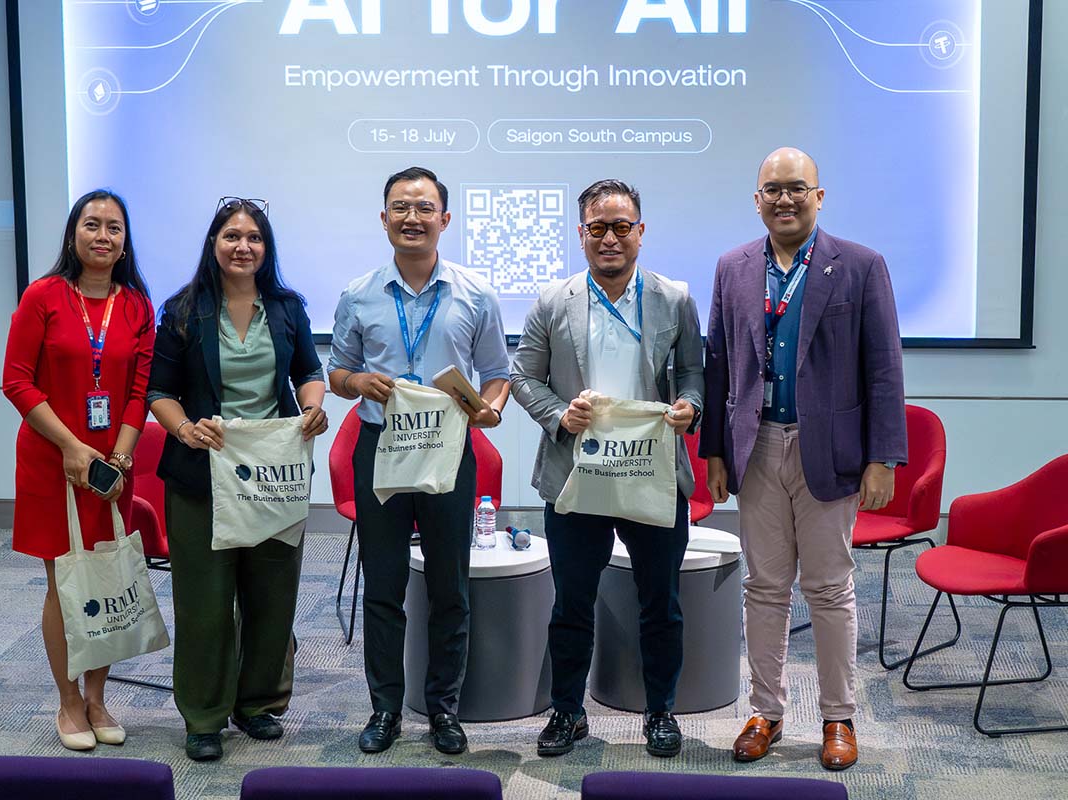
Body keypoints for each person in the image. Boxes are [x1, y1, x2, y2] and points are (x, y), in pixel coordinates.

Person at [700, 147, 907, 771]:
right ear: (756, 198)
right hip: (755, 446)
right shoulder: (733, 266)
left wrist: (883, 459)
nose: (784, 199)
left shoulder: (861, 266)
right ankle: (765, 710)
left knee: (829, 589)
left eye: (797, 188)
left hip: (832, 453)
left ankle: (838, 718)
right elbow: (717, 367)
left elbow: (884, 369)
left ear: (819, 196)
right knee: (763, 588)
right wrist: (713, 450)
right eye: (772, 189)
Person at [510, 179, 704, 758]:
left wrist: (690, 407)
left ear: (640, 232)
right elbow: (523, 377)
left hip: (650, 473)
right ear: (581, 235)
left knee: (660, 601)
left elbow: (694, 372)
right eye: (598, 228)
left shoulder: (674, 299)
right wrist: (556, 415)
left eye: (622, 227)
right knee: (571, 602)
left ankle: (660, 712)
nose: (611, 238)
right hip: (576, 474)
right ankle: (569, 712)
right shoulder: (553, 301)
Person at [328, 166, 510, 755]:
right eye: (400, 208)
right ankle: (385, 709)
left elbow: (499, 374)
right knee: (383, 587)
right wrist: (358, 379)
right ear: (384, 219)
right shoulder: (358, 293)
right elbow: (336, 374)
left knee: (449, 587)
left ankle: (443, 710)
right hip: (380, 448)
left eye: (424, 208)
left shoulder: (475, 293)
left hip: (448, 452)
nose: (412, 217)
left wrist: (490, 409)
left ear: (445, 220)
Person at [147, 197, 328, 762]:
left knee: (272, 591)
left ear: (266, 248)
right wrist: (182, 430)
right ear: (213, 244)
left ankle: (259, 705)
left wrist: (313, 408)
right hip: (202, 473)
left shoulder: (288, 307)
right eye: (231, 236)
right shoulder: (183, 310)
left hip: (273, 469)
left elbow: (309, 372)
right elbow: (159, 391)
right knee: (204, 599)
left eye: (253, 238)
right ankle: (204, 716)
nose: (242, 246)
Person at [2, 190, 155, 751]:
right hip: (51, 459)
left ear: (124, 242)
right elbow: (16, 380)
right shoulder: (43, 295)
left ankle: (97, 697)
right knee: (64, 584)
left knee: (106, 578)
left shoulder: (136, 305)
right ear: (73, 235)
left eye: (114, 228)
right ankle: (67, 702)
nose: (102, 236)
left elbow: (141, 391)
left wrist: (119, 454)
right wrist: (70, 446)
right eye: (92, 225)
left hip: (111, 465)